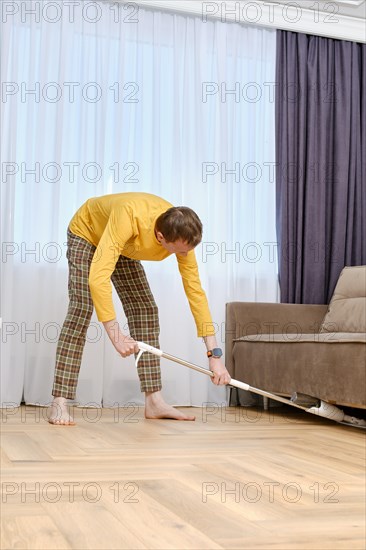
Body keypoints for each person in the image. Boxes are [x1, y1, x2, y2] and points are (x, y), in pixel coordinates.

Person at [49, 192, 231, 425]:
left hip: (123, 244)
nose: (185, 256)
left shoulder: (183, 236)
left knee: (145, 310)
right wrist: (115, 334)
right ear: (159, 236)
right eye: (179, 251)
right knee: (82, 308)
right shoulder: (129, 217)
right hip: (87, 232)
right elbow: (98, 278)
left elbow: (195, 291)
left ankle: (154, 401)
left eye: (187, 250)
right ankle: (59, 402)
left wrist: (214, 354)